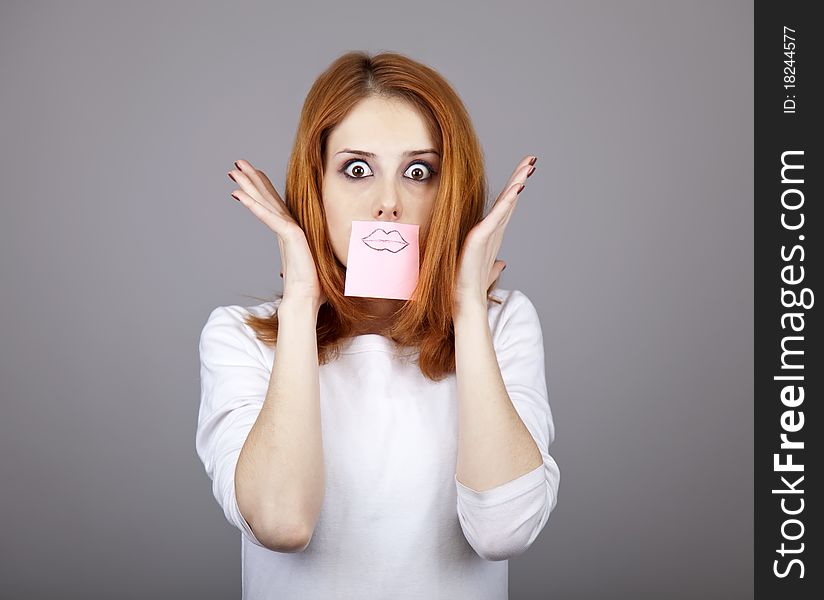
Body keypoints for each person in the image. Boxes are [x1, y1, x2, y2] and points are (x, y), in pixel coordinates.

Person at [196, 50, 560, 600]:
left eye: (419, 172)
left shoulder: (501, 324)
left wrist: (466, 308)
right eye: (357, 170)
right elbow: (281, 524)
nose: (388, 203)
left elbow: (504, 531)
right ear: (315, 185)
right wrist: (299, 301)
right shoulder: (242, 336)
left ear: (450, 191)